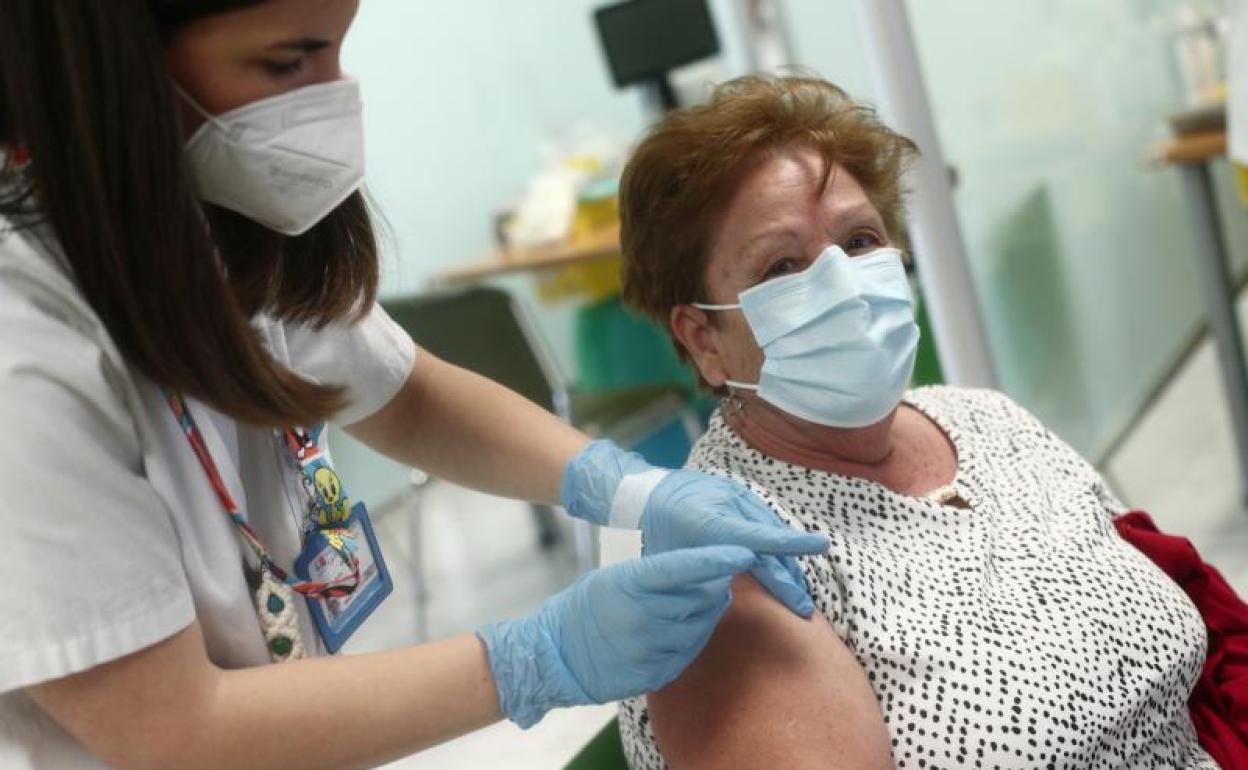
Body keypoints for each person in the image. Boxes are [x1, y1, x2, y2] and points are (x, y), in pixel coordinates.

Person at [0, 3, 833, 768]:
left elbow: (409, 397)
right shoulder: (24, 345)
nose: (332, 101)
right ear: (113, 65)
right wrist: (538, 656)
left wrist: (627, 488)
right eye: (289, 65)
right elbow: (174, 728)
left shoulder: (204, 218)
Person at [613, 75, 1219, 769]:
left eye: (861, 239)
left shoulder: (985, 418)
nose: (843, 281)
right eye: (783, 266)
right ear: (703, 340)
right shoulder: (722, 558)